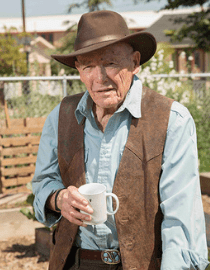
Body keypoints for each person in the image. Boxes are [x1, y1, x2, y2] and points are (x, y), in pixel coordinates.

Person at [32, 10, 209, 270]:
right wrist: (58, 199)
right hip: (75, 263)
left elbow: (180, 220)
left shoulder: (172, 120)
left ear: (135, 62)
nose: (99, 78)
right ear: (78, 69)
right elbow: (43, 182)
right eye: (88, 66)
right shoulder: (60, 117)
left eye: (111, 63)